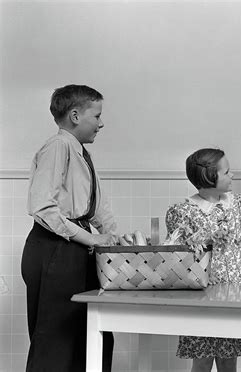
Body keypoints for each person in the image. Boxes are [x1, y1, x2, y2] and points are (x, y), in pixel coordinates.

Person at [21, 84, 119, 372]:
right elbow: (43, 208)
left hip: (75, 248)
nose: (101, 123)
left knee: (91, 332)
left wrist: (112, 239)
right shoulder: (58, 147)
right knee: (56, 339)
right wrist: (92, 238)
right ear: (75, 116)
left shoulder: (80, 152)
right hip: (54, 249)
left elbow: (97, 206)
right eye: (97, 115)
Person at [165, 148, 241, 372]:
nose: (233, 175)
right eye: (227, 172)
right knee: (201, 359)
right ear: (210, 177)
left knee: (229, 359)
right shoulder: (183, 211)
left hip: (236, 292)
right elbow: (175, 253)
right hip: (202, 296)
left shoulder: (239, 204)